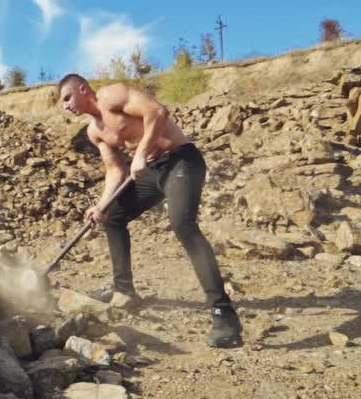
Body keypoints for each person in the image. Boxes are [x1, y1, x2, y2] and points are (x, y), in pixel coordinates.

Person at [56, 73, 242, 348]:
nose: (65, 106)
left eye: (67, 98)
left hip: (180, 161)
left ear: (83, 89)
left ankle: (223, 313)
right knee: (113, 217)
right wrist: (101, 205)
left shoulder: (113, 96)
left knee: (183, 225)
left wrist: (141, 152)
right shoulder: (94, 132)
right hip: (150, 172)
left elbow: (157, 112)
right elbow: (115, 170)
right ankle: (124, 290)